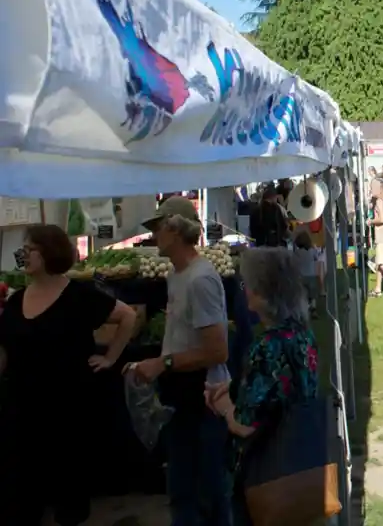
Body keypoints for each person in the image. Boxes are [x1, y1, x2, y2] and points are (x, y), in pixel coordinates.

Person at [0, 224, 137, 525]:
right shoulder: (14, 302)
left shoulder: (79, 295)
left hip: (68, 408)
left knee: (69, 493)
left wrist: (109, 358)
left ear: (49, 253)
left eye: (29, 249)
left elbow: (127, 315)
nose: (23, 255)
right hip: (23, 408)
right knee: (22, 491)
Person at [132, 196, 231, 525]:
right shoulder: (177, 275)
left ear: (174, 229)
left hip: (202, 400)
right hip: (182, 399)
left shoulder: (200, 279)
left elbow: (217, 351)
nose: (154, 236)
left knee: (204, 495)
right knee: (184, 493)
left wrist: (163, 364)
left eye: (158, 228)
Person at [206, 248, 318, 526]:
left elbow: (245, 424)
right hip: (300, 460)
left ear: (263, 292)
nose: (244, 291)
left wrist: (223, 408)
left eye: (247, 284)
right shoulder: (301, 333)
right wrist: (235, 386)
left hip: (266, 475)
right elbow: (279, 386)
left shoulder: (266, 347)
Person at [293, 230, 323, 318]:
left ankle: (304, 311)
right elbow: (317, 258)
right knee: (312, 295)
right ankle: (313, 309)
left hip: (300, 277)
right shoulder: (311, 251)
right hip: (311, 275)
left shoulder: (297, 253)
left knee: (303, 295)